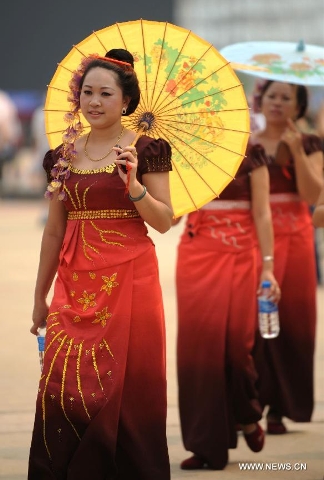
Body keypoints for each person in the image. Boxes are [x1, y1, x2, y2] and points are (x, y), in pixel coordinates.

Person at [28, 49, 174, 480]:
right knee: (65, 381)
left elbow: (165, 221)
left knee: (127, 384)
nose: (94, 101)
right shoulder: (62, 156)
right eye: (87, 92)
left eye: (105, 93)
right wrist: (41, 295)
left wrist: (135, 188)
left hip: (131, 280)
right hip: (74, 283)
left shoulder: (147, 149)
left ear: (126, 101)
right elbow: (54, 231)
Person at [176, 141, 280, 470]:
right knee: (198, 351)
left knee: (238, 347)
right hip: (197, 256)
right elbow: (172, 212)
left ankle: (247, 415)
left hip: (242, 256)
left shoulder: (253, 153)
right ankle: (205, 445)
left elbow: (262, 212)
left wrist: (267, 267)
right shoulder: (182, 148)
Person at [251, 80, 323, 434]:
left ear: (298, 106)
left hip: (295, 240)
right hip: (254, 241)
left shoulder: (310, 143)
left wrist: (296, 152)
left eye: (286, 97)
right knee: (251, 324)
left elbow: (314, 195)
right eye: (271, 96)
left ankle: (281, 406)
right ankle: (249, 403)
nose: (277, 103)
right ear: (260, 101)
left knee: (293, 321)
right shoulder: (246, 145)